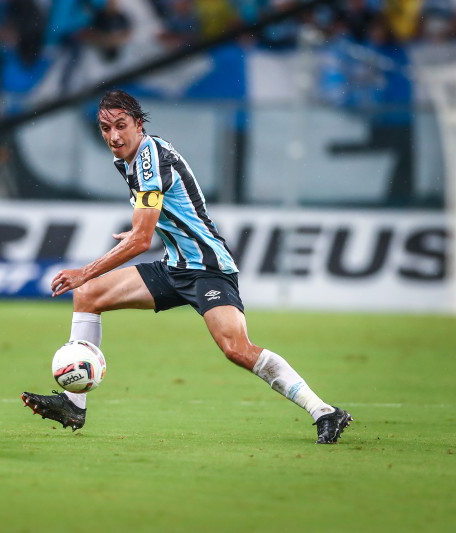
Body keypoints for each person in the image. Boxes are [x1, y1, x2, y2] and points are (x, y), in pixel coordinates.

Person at [21, 89, 352, 444]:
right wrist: (137, 230)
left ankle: (325, 412)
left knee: (237, 348)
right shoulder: (128, 160)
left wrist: (84, 269)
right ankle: (74, 404)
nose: (113, 136)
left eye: (121, 126)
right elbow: (155, 220)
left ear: (138, 124)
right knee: (89, 295)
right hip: (174, 266)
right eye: (105, 128)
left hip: (207, 268)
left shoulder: (150, 160)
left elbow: (141, 242)